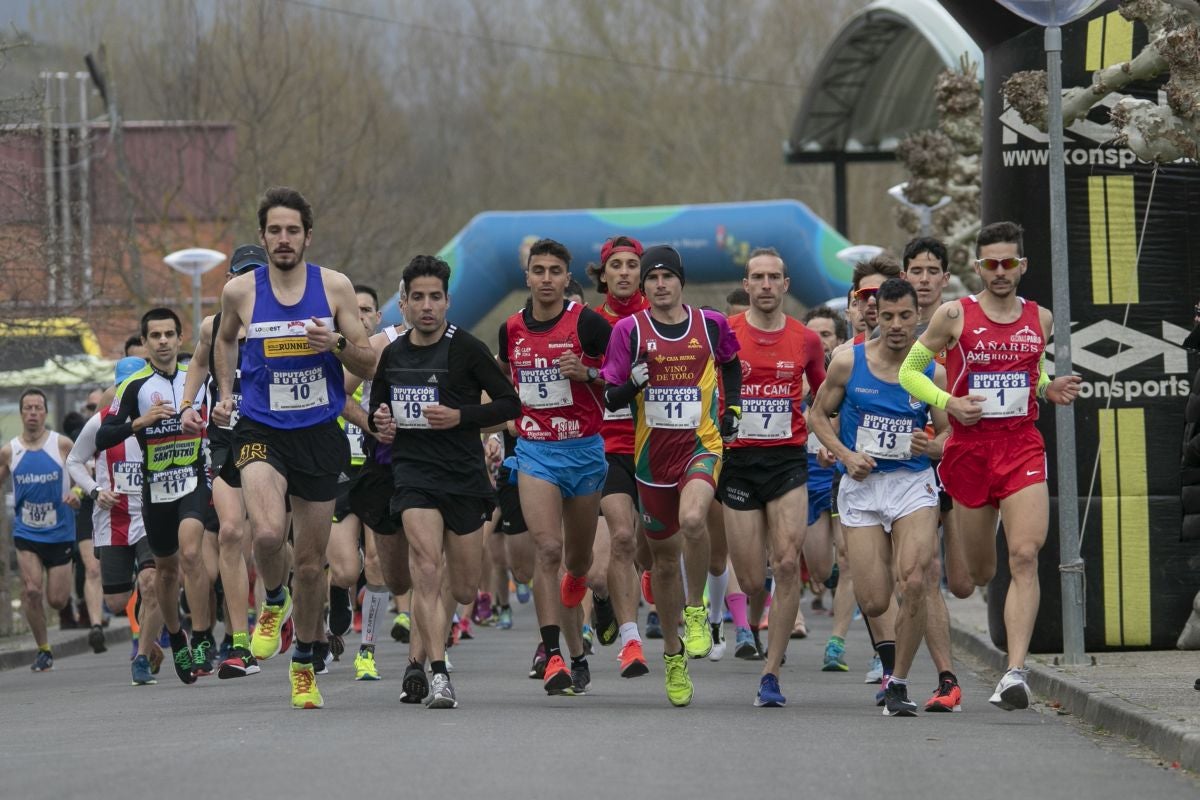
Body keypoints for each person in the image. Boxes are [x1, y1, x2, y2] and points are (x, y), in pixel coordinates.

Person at [899, 221, 1081, 710]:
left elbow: (1032, 372)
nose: (1000, 273)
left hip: (1021, 445)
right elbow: (909, 371)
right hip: (971, 450)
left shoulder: (1039, 319)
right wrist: (949, 403)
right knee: (979, 572)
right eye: (990, 264)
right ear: (978, 267)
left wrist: (1048, 388)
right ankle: (991, 582)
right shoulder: (954, 316)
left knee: (1026, 555)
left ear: (1022, 266)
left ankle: (1015, 672)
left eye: (1008, 263)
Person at [208, 187, 377, 709]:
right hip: (260, 429)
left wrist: (338, 345)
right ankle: (272, 601)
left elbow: (370, 362)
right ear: (263, 236)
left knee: (310, 565)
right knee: (263, 532)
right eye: (274, 231)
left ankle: (304, 660)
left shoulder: (335, 288)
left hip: (320, 435)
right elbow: (224, 339)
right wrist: (228, 393)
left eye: (293, 231)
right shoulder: (240, 292)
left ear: (307, 236)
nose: (284, 239)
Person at [370, 254, 520, 708]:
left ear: (448, 301)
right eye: (418, 298)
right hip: (413, 474)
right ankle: (436, 673)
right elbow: (379, 413)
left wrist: (462, 417)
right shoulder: (392, 355)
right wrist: (382, 422)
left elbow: (510, 405)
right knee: (426, 569)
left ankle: (419, 657)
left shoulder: (468, 349)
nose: (427, 306)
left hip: (464, 477)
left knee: (463, 588)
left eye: (435, 297)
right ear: (405, 303)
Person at [602, 244, 742, 706]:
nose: (660, 285)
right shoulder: (629, 330)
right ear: (644, 287)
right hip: (651, 460)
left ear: (681, 281)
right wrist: (635, 383)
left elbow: (731, 361)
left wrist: (734, 405)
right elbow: (610, 396)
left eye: (667, 277)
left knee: (696, 520)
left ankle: (698, 609)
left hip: (701, 446)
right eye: (652, 278)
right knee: (662, 562)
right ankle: (674, 655)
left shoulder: (710, 324)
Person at [810, 278, 950, 716]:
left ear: (917, 317)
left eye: (905, 316)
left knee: (913, 578)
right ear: (875, 315)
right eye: (886, 316)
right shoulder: (848, 363)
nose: (895, 325)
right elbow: (817, 416)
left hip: (911, 483)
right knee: (873, 599)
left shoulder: (931, 370)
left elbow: (948, 433)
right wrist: (847, 455)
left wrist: (933, 446)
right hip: (863, 487)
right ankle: (891, 666)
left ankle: (900, 683)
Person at [499, 238, 611, 695]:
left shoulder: (588, 323)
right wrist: (504, 415)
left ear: (568, 279)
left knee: (578, 564)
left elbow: (624, 380)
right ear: (527, 277)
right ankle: (554, 657)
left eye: (554, 271)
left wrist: (588, 373)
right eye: (538, 270)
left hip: (583, 452)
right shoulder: (510, 329)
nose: (546, 278)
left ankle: (595, 605)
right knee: (547, 551)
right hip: (536, 452)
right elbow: (508, 383)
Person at [722, 248, 826, 707]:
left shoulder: (806, 340)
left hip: (787, 460)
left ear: (786, 285)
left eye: (774, 278)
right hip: (739, 463)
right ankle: (755, 614)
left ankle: (771, 672)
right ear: (746, 285)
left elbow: (825, 396)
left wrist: (832, 442)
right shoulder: (724, 334)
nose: (766, 285)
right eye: (757, 277)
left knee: (786, 563)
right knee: (749, 580)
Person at [97, 308, 210, 684]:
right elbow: (103, 436)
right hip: (156, 487)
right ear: (144, 343)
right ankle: (176, 636)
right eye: (155, 336)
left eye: (169, 335)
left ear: (181, 339)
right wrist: (140, 422)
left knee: (192, 553)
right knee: (166, 571)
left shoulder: (198, 378)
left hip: (192, 478)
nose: (163, 341)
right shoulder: (134, 387)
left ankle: (202, 639)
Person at [180, 244, 269, 679]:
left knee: (272, 540)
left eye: (254, 276)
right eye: (239, 277)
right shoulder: (213, 326)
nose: (245, 285)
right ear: (228, 282)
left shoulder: (279, 323)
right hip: (223, 439)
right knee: (231, 532)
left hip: (276, 439)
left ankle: (278, 602)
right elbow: (198, 364)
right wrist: (186, 405)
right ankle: (239, 643)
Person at [68, 357, 165, 685]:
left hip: (149, 514)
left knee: (152, 584)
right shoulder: (99, 424)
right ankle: (151, 627)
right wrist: (95, 491)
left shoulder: (157, 418)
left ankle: (143, 651)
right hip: (112, 519)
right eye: (121, 387)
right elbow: (74, 461)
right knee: (117, 600)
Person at [585, 235, 652, 679]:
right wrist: (598, 376)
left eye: (633, 265)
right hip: (608, 445)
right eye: (617, 265)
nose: (625, 272)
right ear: (603, 274)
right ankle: (631, 641)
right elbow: (578, 381)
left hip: (657, 444)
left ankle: (619, 594)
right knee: (621, 539)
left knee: (652, 550)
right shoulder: (589, 323)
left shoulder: (661, 319)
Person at [0, 388, 80, 671]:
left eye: (38, 408)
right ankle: (43, 650)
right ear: (21, 413)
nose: (33, 413)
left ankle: (59, 606)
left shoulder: (62, 445)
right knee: (32, 590)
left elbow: (87, 472)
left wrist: (78, 493)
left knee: (57, 600)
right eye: (28, 408)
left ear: (46, 413)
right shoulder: (10, 451)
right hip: (27, 532)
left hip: (60, 532)